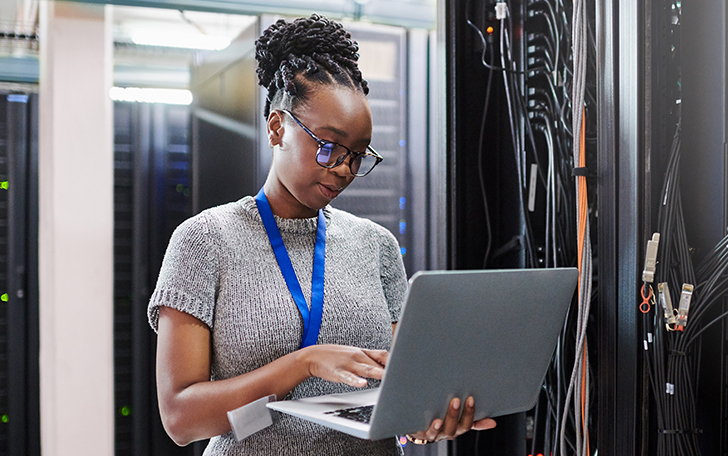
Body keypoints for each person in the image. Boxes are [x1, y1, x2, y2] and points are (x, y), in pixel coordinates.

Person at [149, 14, 495, 455]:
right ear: (278, 128)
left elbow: (395, 394)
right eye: (328, 146)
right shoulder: (204, 241)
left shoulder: (376, 247)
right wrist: (304, 363)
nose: (345, 169)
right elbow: (181, 419)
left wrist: (425, 418)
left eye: (357, 154)